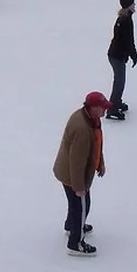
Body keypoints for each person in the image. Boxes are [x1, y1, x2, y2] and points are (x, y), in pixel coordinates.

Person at [53, 91, 110, 257]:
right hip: (73, 175)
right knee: (82, 205)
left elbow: (96, 143)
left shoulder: (89, 118)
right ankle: (75, 243)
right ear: (93, 108)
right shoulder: (82, 129)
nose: (105, 110)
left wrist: (100, 163)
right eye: (102, 107)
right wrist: (79, 186)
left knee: (75, 204)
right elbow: (77, 161)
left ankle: (72, 225)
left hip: (69, 171)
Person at [106, 0, 137, 121]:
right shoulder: (126, 20)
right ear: (129, 5)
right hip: (117, 56)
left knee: (119, 81)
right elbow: (128, 40)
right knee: (119, 82)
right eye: (133, 3)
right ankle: (112, 108)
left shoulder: (123, 18)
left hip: (115, 54)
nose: (135, 5)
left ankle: (116, 102)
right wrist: (134, 54)